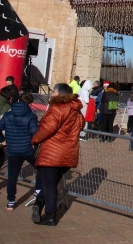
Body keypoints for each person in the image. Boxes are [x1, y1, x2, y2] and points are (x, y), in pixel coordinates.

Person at [31, 83, 85, 226]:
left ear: (60, 94)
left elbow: (47, 128)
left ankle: (50, 215)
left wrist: (34, 139)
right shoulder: (76, 110)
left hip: (52, 152)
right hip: (68, 152)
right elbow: (81, 125)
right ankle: (39, 203)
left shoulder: (57, 109)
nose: (51, 94)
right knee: (50, 183)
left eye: (53, 92)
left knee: (49, 185)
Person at [0, 90, 40, 211]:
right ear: (29, 104)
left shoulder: (8, 114)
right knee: (40, 167)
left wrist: (2, 140)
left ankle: (11, 201)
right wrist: (35, 142)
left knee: (12, 176)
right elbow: (35, 132)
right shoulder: (31, 116)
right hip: (27, 149)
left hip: (12, 149)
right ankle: (38, 189)